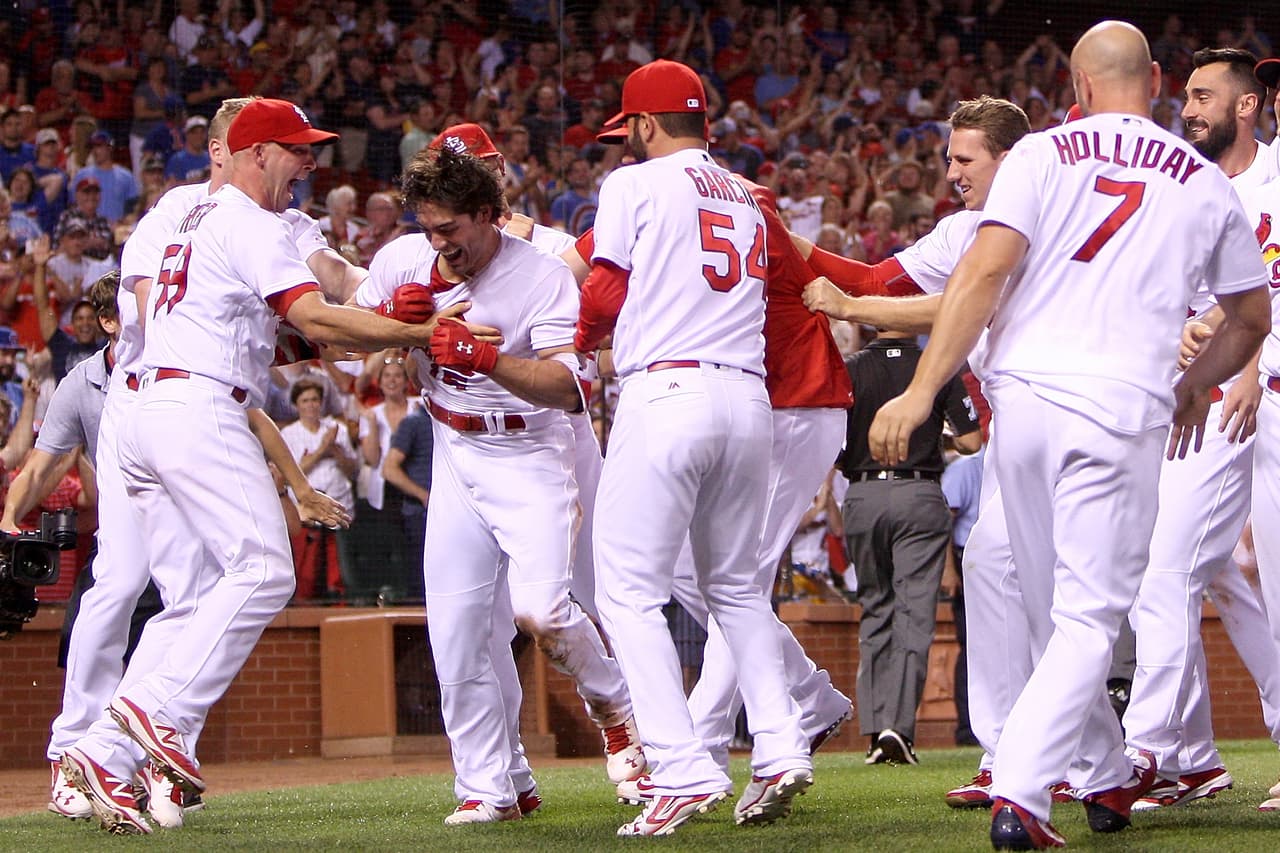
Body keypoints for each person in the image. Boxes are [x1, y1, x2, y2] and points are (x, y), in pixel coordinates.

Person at [869, 22, 1271, 849]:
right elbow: (1249, 318)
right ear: (1156, 79)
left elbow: (981, 273)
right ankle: (1022, 789)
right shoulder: (1201, 180)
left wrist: (917, 389)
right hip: (1119, 405)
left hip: (1022, 406)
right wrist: (1193, 384)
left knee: (1055, 612)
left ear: (1077, 85)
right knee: (1090, 618)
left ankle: (1103, 772)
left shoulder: (1039, 157)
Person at [58, 98, 454, 836]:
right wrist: (419, 330)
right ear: (253, 152)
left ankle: (105, 748)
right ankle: (155, 712)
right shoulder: (247, 220)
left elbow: (286, 342)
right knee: (265, 569)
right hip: (194, 407)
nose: (307, 161)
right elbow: (316, 317)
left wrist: (374, 329)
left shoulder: (199, 221)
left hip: (152, 407)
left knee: (201, 592)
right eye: (295, 149)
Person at [353, 146, 641, 827]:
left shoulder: (540, 276)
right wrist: (404, 326)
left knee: (540, 610)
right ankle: (488, 785)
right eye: (427, 227)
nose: (438, 243)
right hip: (452, 447)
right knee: (455, 630)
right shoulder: (403, 259)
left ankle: (620, 707)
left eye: (450, 227)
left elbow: (571, 388)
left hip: (527, 449)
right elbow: (346, 340)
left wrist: (482, 354)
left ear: (489, 215)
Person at [576, 59, 812, 837]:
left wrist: (574, 341)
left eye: (629, 130)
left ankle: (680, 767)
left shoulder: (632, 184)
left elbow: (606, 289)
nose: (627, 143)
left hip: (667, 391)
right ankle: (780, 747)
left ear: (644, 124)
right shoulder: (746, 193)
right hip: (747, 399)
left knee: (627, 591)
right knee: (739, 589)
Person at [802, 94, 1032, 810]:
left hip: (1068, 409)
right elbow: (875, 277)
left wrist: (849, 310)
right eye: (948, 156)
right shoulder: (962, 227)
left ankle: (1124, 751)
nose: (951, 170)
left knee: (1073, 590)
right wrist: (780, 243)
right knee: (998, 569)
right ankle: (1015, 755)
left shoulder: (1038, 216)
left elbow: (958, 302)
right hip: (1015, 425)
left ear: (1009, 158)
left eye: (965, 158)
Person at [1125, 45, 1280, 811]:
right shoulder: (1182, 184)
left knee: (1260, 583)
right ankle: (1179, 752)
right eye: (1184, 96)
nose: (1186, 109)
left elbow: (1264, 290)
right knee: (1182, 566)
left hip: (1264, 390)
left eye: (1202, 96)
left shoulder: (1277, 179)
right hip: (1204, 399)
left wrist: (1240, 350)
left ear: (1246, 105)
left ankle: (1162, 748)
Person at [843, 327, 981, 766]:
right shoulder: (934, 367)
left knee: (875, 609)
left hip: (862, 491)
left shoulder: (852, 368)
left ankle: (873, 729)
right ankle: (896, 728)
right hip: (918, 489)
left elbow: (830, 438)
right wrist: (931, 434)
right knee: (913, 613)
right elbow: (971, 441)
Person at [280, 377, 358, 602]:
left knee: (338, 578)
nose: (311, 405)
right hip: (306, 515)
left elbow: (352, 469)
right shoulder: (289, 434)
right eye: (305, 400)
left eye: (315, 399)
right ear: (297, 404)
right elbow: (289, 473)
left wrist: (335, 450)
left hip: (339, 508)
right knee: (307, 577)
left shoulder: (337, 430)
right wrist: (322, 449)